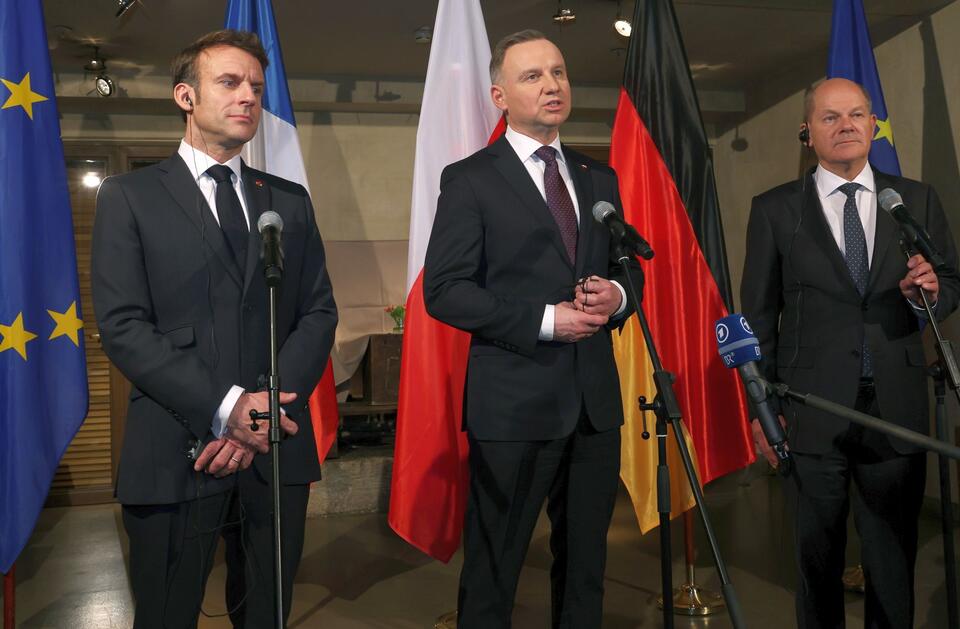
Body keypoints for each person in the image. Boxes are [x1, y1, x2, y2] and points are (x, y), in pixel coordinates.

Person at [91, 30, 337, 628]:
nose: (248, 96)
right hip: (176, 452)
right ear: (186, 96)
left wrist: (261, 413)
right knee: (167, 614)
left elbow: (318, 312)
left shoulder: (289, 201)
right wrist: (227, 407)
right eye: (229, 83)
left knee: (266, 615)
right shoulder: (131, 197)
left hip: (274, 450)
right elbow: (124, 326)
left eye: (255, 85)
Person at [423, 29, 639, 629]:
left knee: (586, 565)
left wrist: (616, 296)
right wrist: (546, 320)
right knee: (496, 565)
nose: (552, 85)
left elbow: (628, 273)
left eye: (559, 72)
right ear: (499, 95)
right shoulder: (470, 179)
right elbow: (445, 291)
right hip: (514, 407)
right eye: (533, 77)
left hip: (594, 404)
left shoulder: (600, 178)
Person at [741, 77, 960, 628]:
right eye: (831, 117)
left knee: (892, 558)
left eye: (857, 115)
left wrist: (931, 291)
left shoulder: (914, 199)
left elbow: (951, 282)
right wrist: (761, 411)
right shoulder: (774, 210)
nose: (846, 126)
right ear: (807, 132)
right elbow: (759, 317)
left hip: (896, 404)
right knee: (817, 561)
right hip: (809, 409)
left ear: (872, 126)